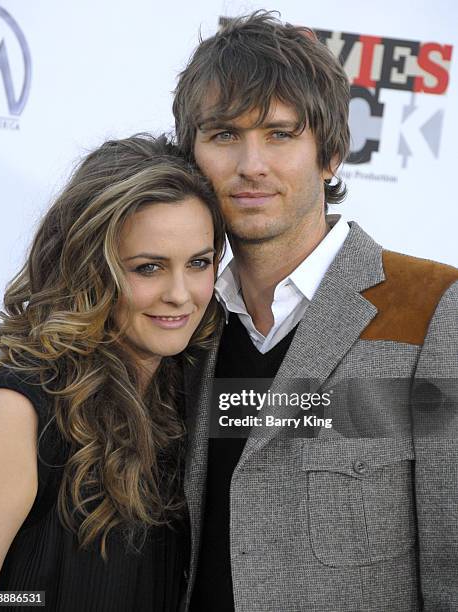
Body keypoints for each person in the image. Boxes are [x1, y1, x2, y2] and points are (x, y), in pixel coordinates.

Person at [172, 11, 458, 612]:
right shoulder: (180, 321)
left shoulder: (432, 308)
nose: (252, 164)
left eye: (280, 133)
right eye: (224, 135)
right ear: (190, 158)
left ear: (329, 154)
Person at [0, 134, 225, 612]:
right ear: (91, 268)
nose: (181, 294)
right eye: (148, 268)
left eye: (199, 263)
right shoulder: (19, 411)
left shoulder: (189, 400)